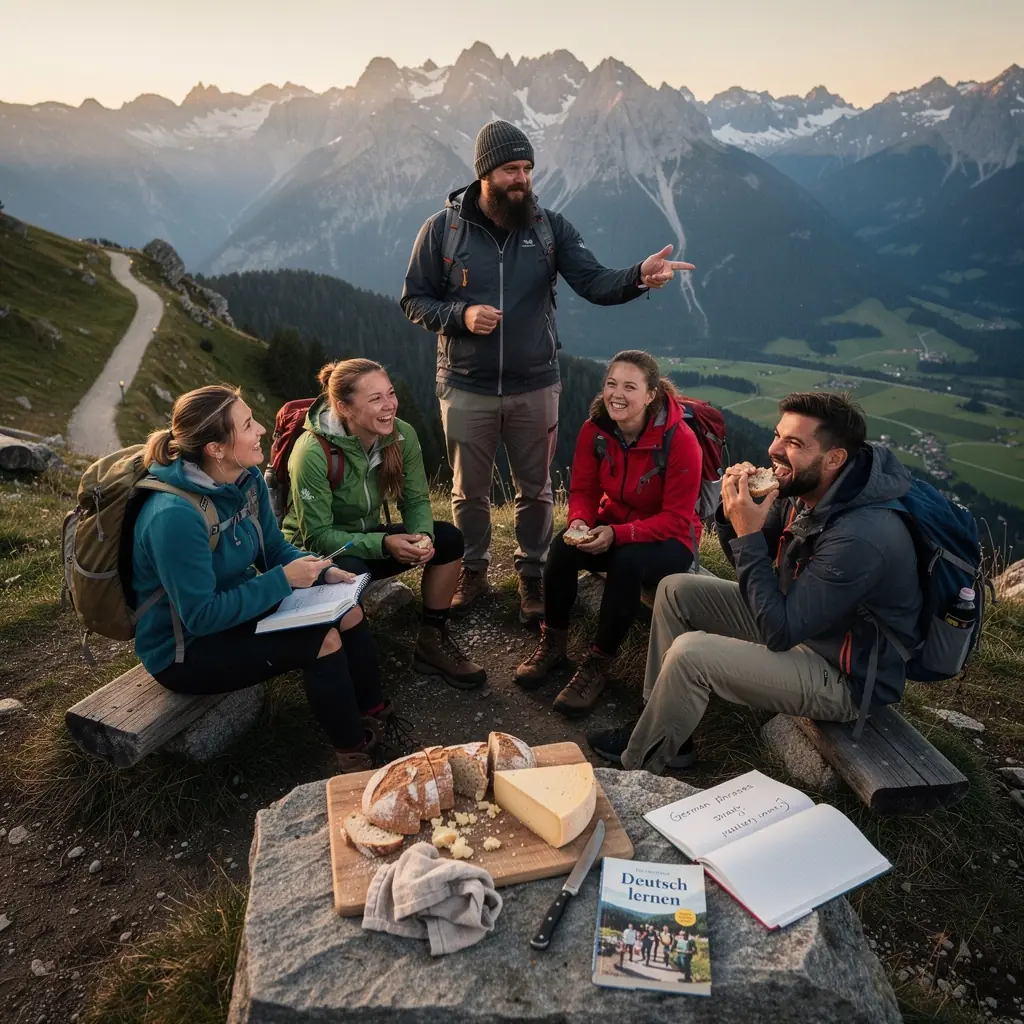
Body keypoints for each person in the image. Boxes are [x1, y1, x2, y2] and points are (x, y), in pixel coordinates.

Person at [401, 119, 695, 625]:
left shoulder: (550, 228)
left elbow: (595, 281)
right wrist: (461, 316)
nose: (522, 179)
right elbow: (414, 300)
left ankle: (532, 575)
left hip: (536, 383)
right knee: (468, 492)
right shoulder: (442, 230)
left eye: (528, 169)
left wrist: (638, 279)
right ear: (485, 174)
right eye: (511, 169)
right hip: (465, 384)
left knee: (534, 490)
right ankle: (473, 570)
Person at [587, 391, 923, 772]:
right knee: (676, 589)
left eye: (794, 443)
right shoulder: (805, 486)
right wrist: (733, 519)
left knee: (690, 655)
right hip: (804, 624)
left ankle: (641, 764)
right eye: (778, 435)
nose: (775, 450)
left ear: (835, 458)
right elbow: (751, 563)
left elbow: (778, 632)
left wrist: (747, 534)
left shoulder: (863, 536)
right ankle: (660, 725)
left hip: (845, 675)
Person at [131, 385, 402, 773]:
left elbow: (275, 550)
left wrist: (320, 569)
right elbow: (201, 616)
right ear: (216, 448)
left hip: (237, 611)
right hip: (185, 650)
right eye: (246, 425)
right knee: (321, 641)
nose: (261, 428)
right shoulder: (172, 516)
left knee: (349, 611)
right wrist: (282, 581)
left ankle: (377, 716)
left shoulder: (246, 480)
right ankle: (356, 757)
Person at [514, 350, 702, 717]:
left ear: (651, 395)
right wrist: (580, 523)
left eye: (630, 387)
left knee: (628, 562)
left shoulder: (680, 440)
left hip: (670, 540)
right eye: (612, 384)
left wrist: (620, 533)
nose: (617, 394)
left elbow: (678, 519)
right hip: (611, 526)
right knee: (563, 548)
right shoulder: (595, 430)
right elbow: (583, 489)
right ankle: (553, 640)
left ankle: (598, 663)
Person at [284, 358, 486, 690]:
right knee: (346, 568)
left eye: (390, 393)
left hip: (366, 537)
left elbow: (416, 499)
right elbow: (318, 537)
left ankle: (431, 643)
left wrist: (421, 535)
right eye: (375, 398)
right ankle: (355, 675)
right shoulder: (312, 453)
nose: (389, 404)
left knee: (447, 538)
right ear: (344, 408)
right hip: (316, 555)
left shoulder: (400, 435)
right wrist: (383, 544)